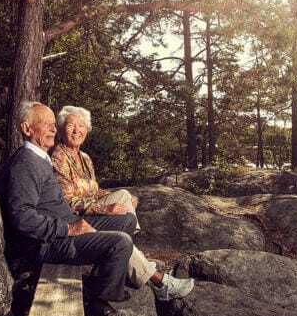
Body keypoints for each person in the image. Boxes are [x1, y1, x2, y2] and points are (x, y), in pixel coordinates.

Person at [0, 101, 134, 316]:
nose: (52, 129)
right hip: (49, 242)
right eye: (45, 124)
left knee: (126, 220)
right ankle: (97, 302)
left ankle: (102, 281)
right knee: (121, 242)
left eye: (53, 124)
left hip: (67, 225)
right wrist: (68, 228)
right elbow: (21, 216)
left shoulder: (40, 157)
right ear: (26, 129)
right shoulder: (25, 163)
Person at [50, 105, 194, 301]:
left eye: (81, 126)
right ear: (60, 129)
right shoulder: (58, 156)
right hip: (75, 219)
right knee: (122, 214)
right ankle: (159, 281)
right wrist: (104, 208)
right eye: (71, 125)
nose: (77, 131)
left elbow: (95, 191)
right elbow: (67, 200)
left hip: (89, 211)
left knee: (125, 194)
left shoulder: (84, 158)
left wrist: (119, 199)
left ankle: (124, 250)